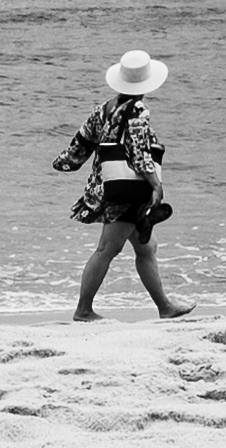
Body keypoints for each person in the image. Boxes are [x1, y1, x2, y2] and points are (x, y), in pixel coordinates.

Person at [57, 48, 192, 320]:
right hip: (129, 192)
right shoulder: (138, 112)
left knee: (146, 247)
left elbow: (81, 143)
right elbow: (140, 156)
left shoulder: (105, 108)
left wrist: (65, 162)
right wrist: (156, 186)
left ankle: (165, 306)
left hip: (108, 186)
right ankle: (83, 310)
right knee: (107, 249)